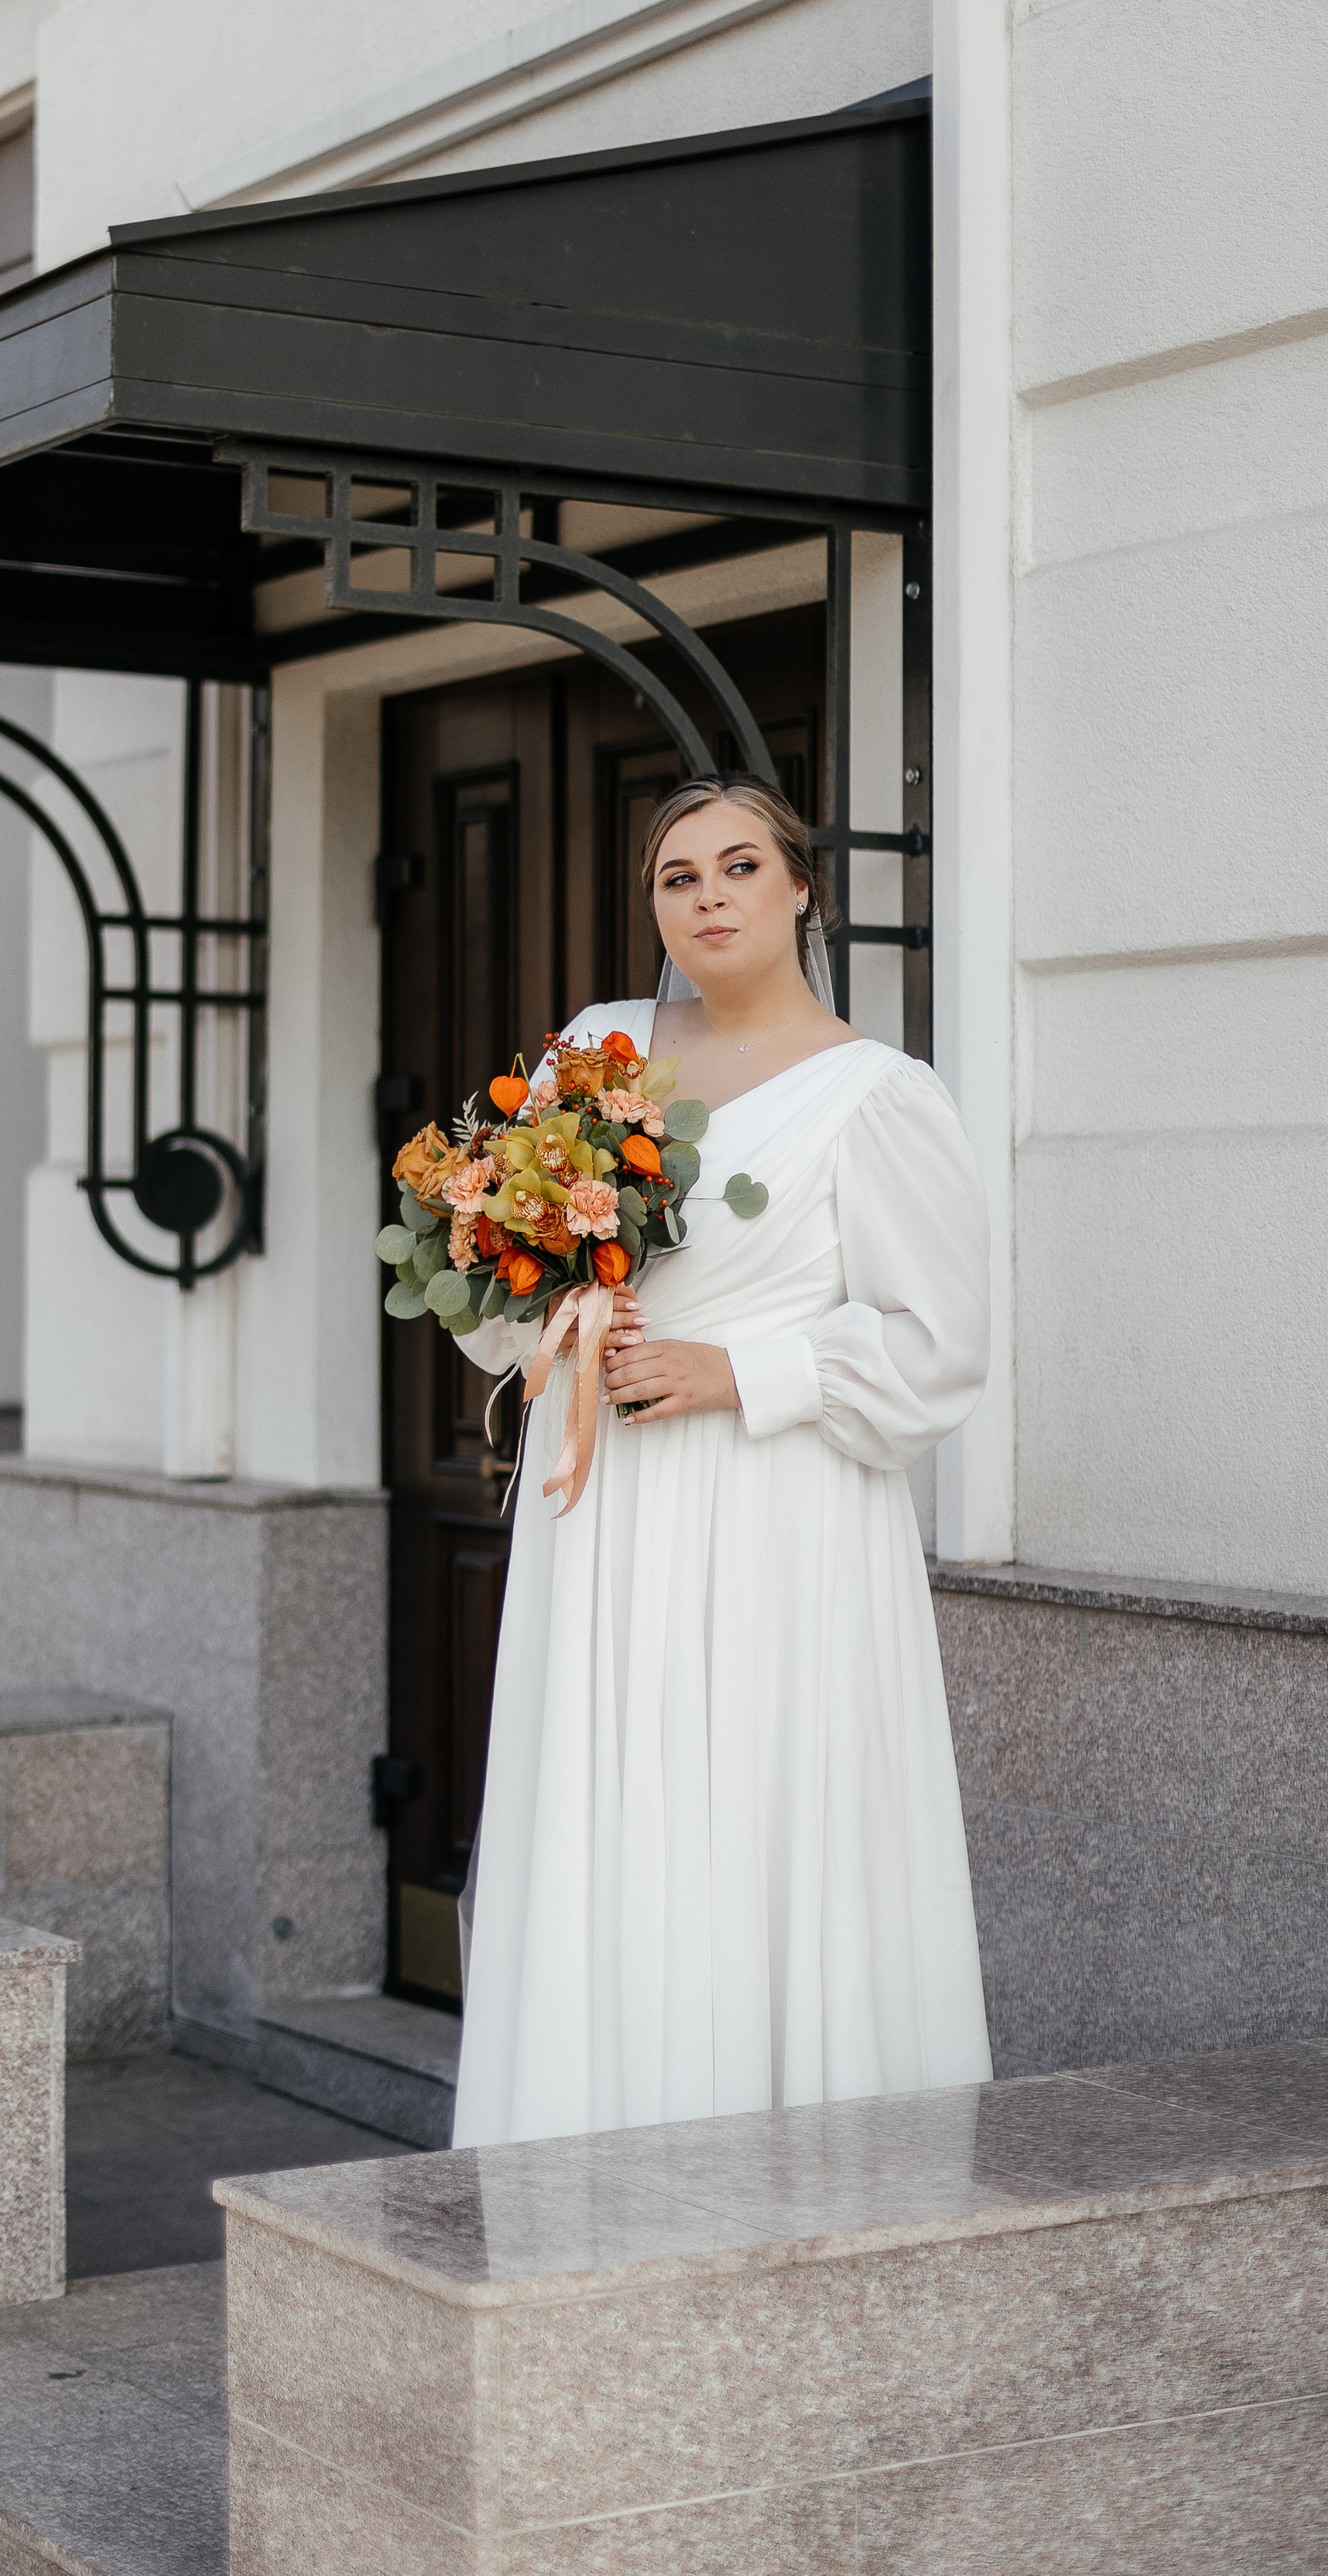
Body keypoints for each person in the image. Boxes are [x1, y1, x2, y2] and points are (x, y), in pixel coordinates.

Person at [450, 775, 992, 2147]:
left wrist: (736, 1372)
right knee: (609, 1822)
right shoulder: (600, 1049)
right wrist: (552, 1300)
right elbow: (498, 1279)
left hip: (775, 1516)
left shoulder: (879, 1096)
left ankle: (783, 2158)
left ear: (800, 887)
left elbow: (939, 1348)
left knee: (759, 1816)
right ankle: (585, 2148)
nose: (708, 898)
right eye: (678, 877)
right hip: (606, 1513)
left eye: (739, 867)